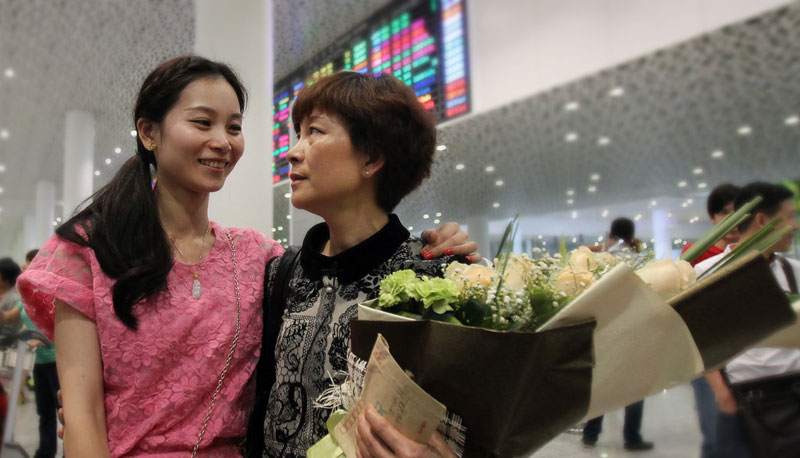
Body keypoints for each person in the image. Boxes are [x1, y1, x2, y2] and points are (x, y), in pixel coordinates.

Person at [19, 56, 473, 458]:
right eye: (202, 122)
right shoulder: (95, 250)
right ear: (149, 132)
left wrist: (448, 253)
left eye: (233, 127)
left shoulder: (262, 260)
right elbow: (81, 418)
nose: (223, 141)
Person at [249, 71, 470, 458]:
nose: (293, 151)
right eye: (298, 134)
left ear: (371, 158)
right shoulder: (282, 273)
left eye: (315, 132)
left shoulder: (435, 275)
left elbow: (472, 424)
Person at [695, 182, 800, 458]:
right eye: (790, 216)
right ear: (762, 220)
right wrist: (724, 397)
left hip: (793, 398)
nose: (795, 225)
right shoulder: (708, 273)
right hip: (742, 401)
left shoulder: (793, 272)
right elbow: (699, 339)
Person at [582, 217, 654, 451]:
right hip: (635, 327)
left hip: (605, 326)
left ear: (611, 233)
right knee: (635, 383)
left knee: (602, 380)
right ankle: (632, 437)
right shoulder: (638, 259)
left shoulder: (602, 258)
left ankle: (590, 434)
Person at [684, 183, 740, 458]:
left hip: (745, 351)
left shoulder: (750, 251)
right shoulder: (695, 255)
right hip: (707, 353)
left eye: (740, 212)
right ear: (713, 218)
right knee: (714, 427)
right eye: (726, 213)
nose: (734, 220)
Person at [18, 249, 61, 458]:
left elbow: (63, 329)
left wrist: (43, 339)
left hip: (56, 362)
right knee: (44, 412)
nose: (25, 267)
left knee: (65, 412)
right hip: (38, 362)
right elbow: (9, 317)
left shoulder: (51, 292)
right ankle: (45, 452)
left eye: (28, 263)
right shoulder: (26, 295)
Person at [682, 183, 741, 267]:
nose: (732, 219)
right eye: (724, 213)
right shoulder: (694, 253)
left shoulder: (756, 249)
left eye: (737, 212)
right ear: (712, 217)